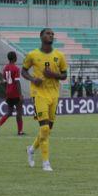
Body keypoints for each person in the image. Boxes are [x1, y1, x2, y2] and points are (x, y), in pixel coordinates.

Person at [21, 28, 68, 171]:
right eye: (48, 33)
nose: (51, 36)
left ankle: (31, 149)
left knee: (47, 130)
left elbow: (64, 75)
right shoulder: (32, 55)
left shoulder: (59, 55)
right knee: (45, 127)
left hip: (54, 94)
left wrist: (53, 74)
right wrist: (32, 79)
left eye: (52, 34)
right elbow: (23, 71)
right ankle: (46, 162)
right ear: (41, 36)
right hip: (39, 94)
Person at [0, 51, 25, 136]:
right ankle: (20, 131)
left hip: (8, 93)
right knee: (19, 112)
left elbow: (5, 80)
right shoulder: (16, 68)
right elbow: (17, 82)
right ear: (15, 58)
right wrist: (20, 95)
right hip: (15, 93)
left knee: (9, 112)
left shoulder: (5, 68)